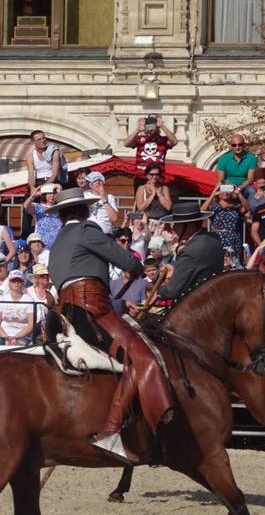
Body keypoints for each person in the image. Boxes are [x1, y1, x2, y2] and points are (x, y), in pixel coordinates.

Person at [48, 186, 172, 464]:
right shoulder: (87, 230)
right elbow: (125, 259)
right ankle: (112, 430)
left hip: (66, 310)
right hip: (91, 307)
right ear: (83, 211)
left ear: (61, 215)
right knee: (144, 358)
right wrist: (137, 268)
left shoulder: (57, 242)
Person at [152, 202, 223, 303]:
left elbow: (172, 290)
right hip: (214, 298)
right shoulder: (214, 239)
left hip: (196, 305)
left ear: (190, 226)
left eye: (177, 224)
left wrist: (159, 290)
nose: (174, 228)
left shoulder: (190, 250)